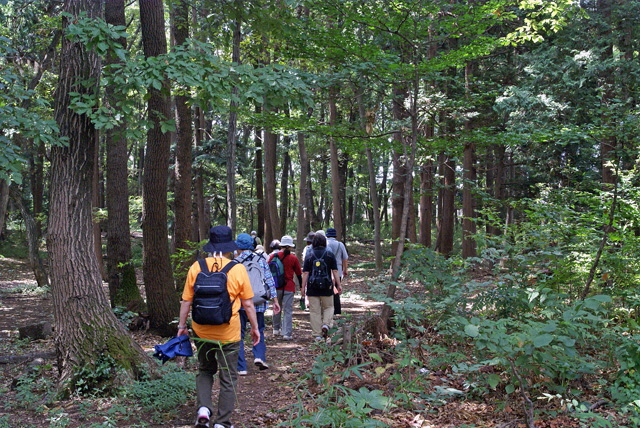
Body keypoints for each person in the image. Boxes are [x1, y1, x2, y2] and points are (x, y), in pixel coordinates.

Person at [178, 225, 259, 428]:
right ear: (229, 247)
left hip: (201, 330)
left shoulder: (197, 267)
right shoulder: (237, 268)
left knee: (205, 370)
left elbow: (186, 301)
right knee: (228, 376)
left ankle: (203, 409)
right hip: (229, 333)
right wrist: (255, 328)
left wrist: (182, 325)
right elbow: (248, 303)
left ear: (211, 244)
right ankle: (222, 422)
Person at [234, 233, 281, 376]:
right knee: (259, 330)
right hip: (258, 301)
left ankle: (241, 367)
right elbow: (269, 281)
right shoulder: (261, 260)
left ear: (238, 247)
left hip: (240, 303)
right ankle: (259, 356)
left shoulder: (235, 263)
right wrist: (275, 300)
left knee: (239, 334)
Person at [301, 233, 341, 340]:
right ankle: (326, 324)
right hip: (327, 286)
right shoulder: (329, 255)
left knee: (314, 311)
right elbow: (335, 271)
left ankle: (317, 335)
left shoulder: (309, 255)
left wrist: (302, 287)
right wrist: (338, 284)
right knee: (329, 307)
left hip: (312, 287)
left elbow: (305, 273)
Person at [269, 235, 302, 340]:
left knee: (276, 307)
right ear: (290, 246)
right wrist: (302, 287)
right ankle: (286, 333)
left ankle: (276, 329)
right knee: (287, 310)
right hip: (289, 287)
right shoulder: (293, 258)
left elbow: (267, 270)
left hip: (276, 286)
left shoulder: (273, 256)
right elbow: (299, 274)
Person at [325, 228, 348, 315]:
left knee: (327, 290)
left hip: (326, 270)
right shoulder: (340, 244)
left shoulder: (324, 244)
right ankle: (337, 311)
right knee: (336, 290)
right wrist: (345, 269)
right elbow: (345, 258)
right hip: (337, 271)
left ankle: (327, 311)